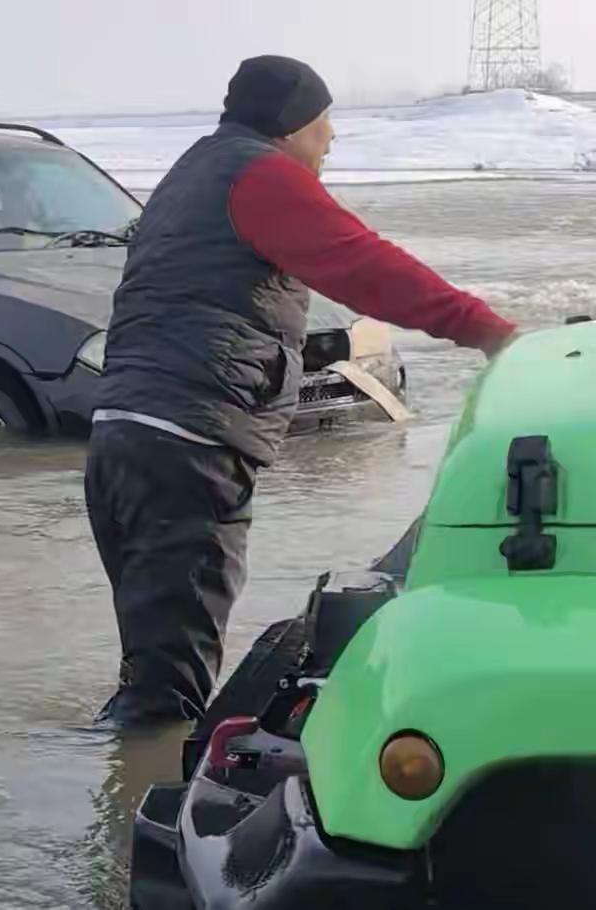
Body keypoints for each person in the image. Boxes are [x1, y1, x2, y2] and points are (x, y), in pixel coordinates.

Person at [86, 56, 516, 728]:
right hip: (189, 447)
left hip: (123, 435)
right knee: (165, 700)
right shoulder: (261, 176)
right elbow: (365, 266)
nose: (332, 138)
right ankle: (139, 791)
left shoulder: (193, 171)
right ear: (290, 125)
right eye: (323, 122)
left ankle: (118, 768)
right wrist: (490, 332)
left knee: (153, 668)